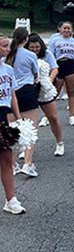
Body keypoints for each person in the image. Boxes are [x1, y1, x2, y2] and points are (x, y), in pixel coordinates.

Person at [6, 28, 39, 177]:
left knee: (11, 130)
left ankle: (12, 165)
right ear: (26, 40)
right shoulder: (30, 55)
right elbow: (35, 74)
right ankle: (28, 163)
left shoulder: (5, 56)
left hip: (9, 93)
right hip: (26, 91)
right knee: (29, 128)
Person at [26, 34, 64, 156]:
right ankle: (26, 148)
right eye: (32, 47)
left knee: (52, 117)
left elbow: (54, 68)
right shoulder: (24, 55)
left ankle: (59, 143)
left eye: (37, 47)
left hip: (44, 88)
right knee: (28, 121)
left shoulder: (47, 55)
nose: (35, 49)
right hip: (28, 89)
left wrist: (49, 80)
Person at [0, 34, 24, 214]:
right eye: (5, 46)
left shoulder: (8, 69)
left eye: (8, 46)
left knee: (7, 160)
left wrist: (18, 118)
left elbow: (12, 96)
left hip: (3, 116)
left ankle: (11, 200)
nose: (9, 49)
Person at [49, 22, 74, 126]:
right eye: (64, 28)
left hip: (71, 66)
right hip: (59, 65)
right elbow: (50, 56)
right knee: (54, 93)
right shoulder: (55, 41)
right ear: (60, 29)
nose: (66, 30)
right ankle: (48, 116)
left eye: (68, 28)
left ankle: (72, 116)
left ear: (71, 30)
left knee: (71, 92)